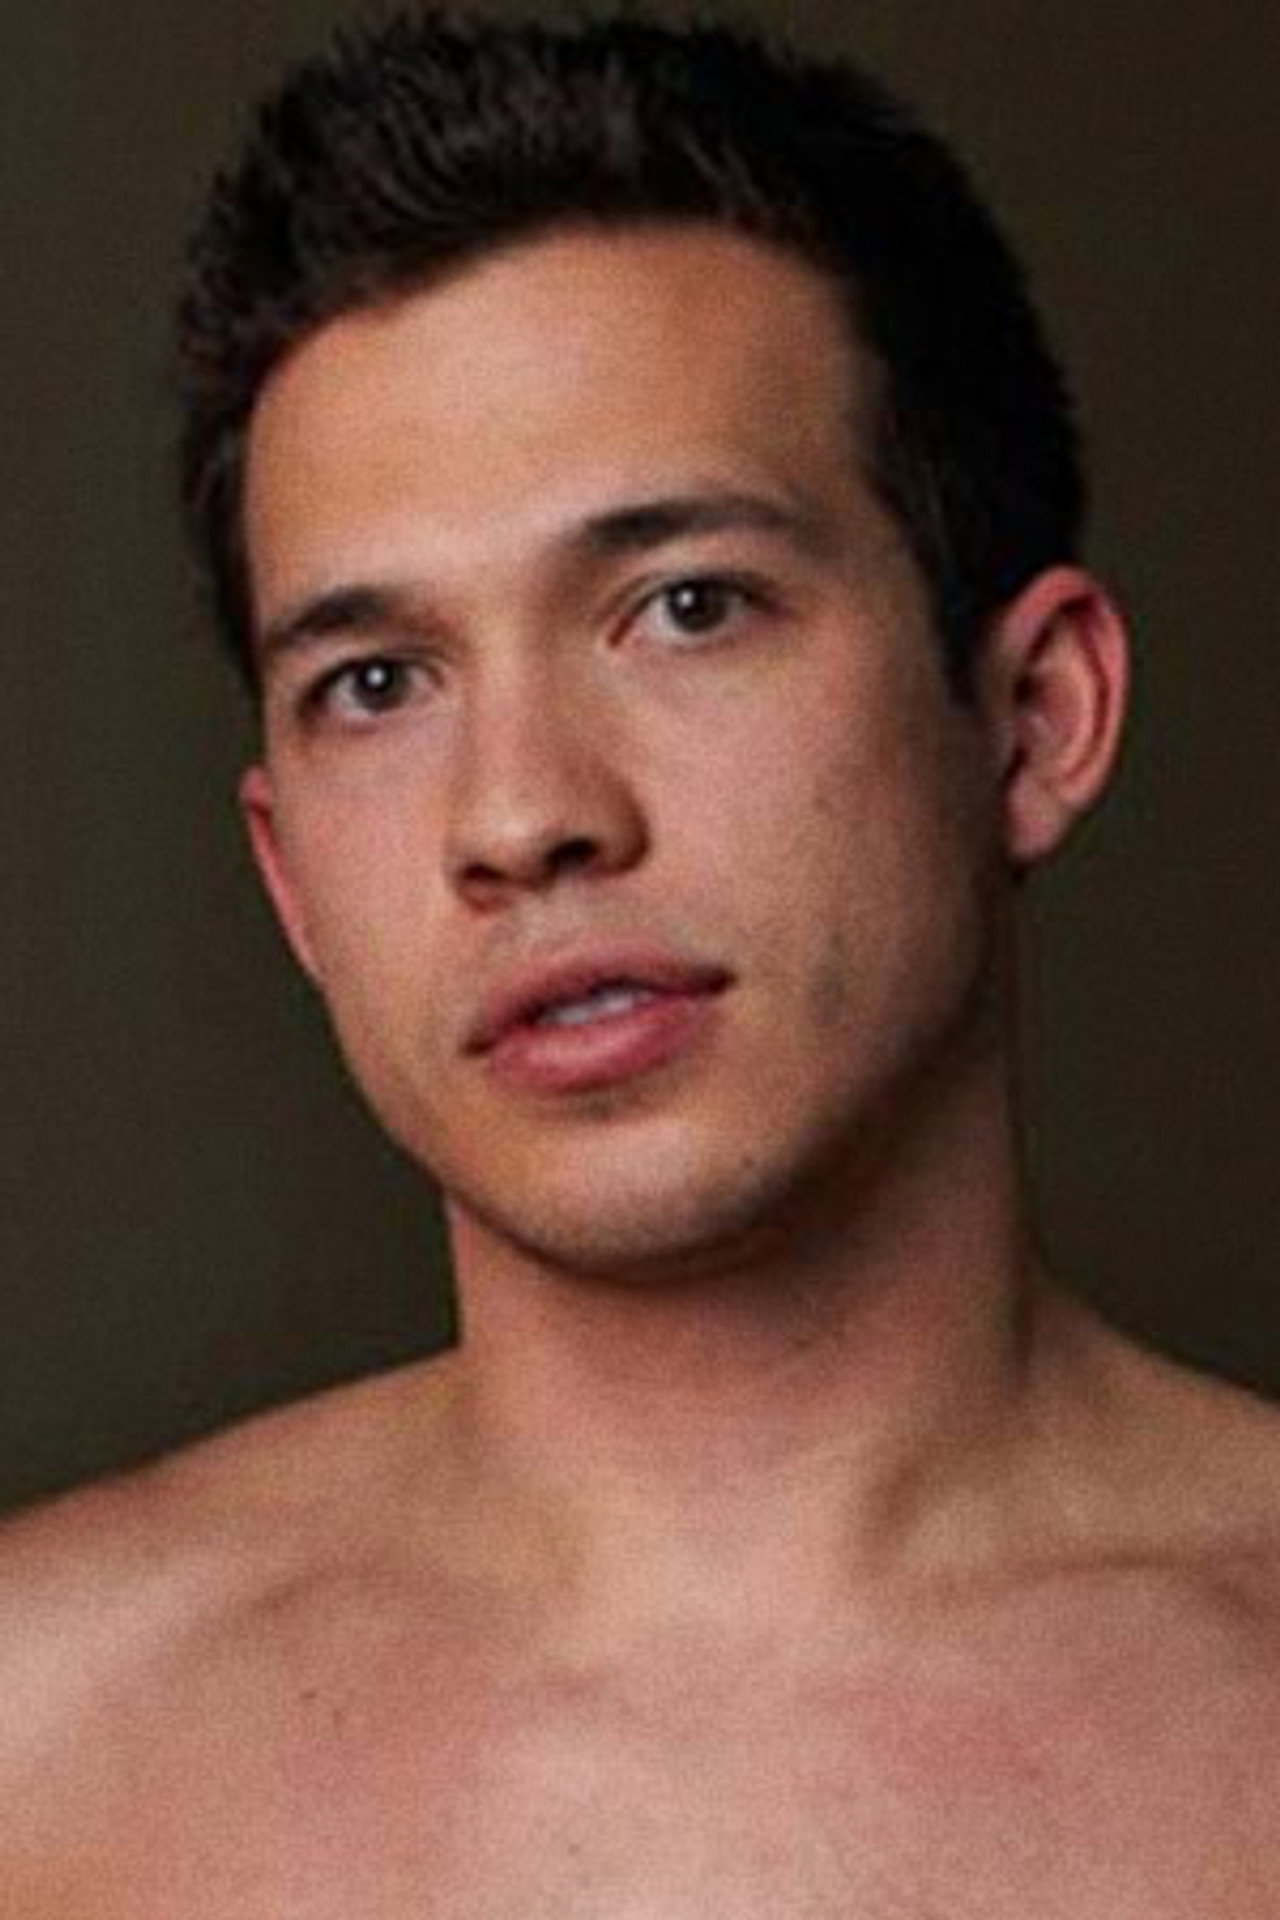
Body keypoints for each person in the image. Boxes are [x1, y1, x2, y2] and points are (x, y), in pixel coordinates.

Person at [2, 11, 1277, 1913]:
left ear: (1033, 718)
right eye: (378, 682)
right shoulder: (35, 1743)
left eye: (687, 606)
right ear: (290, 880)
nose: (522, 814)